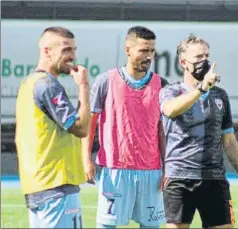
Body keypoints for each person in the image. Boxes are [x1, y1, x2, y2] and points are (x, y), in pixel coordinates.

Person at [159, 34, 238, 229]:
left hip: (214, 178)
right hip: (179, 178)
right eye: (198, 58)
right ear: (183, 63)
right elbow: (170, 110)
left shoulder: (220, 95)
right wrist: (201, 89)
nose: (204, 62)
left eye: (206, 56)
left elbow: (228, 140)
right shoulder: (170, 91)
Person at [81, 26, 168, 228]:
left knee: (151, 226)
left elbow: (162, 131)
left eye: (152, 51)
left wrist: (167, 167)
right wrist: (86, 159)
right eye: (144, 50)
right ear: (128, 50)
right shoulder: (106, 81)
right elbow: (89, 124)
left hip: (151, 170)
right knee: (106, 225)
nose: (149, 56)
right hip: (115, 169)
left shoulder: (161, 85)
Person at [15, 26, 90, 228]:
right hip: (56, 186)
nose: (72, 56)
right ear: (47, 50)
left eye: (74, 50)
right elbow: (81, 128)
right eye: (66, 50)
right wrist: (83, 86)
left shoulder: (28, 83)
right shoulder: (47, 85)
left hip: (37, 185)